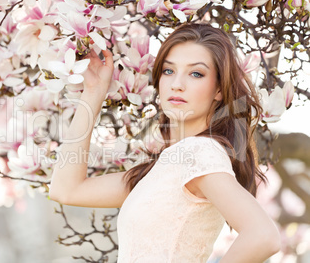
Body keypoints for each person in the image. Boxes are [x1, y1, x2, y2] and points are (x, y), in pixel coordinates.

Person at [48, 22, 281, 262]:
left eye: (196, 74)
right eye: (169, 71)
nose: (177, 83)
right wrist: (94, 90)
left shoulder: (199, 153)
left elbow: (263, 235)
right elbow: (66, 190)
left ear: (219, 89)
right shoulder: (166, 166)